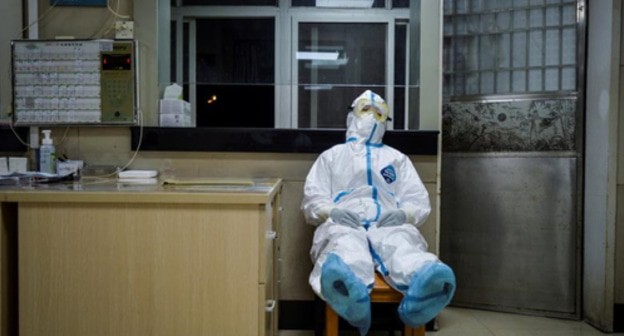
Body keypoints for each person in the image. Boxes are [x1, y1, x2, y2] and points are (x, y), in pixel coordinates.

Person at [301, 90, 456, 335]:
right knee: (343, 243)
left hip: (387, 220)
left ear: (386, 120)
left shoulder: (397, 159)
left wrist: (405, 214)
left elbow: (416, 198)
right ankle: (351, 295)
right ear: (352, 115)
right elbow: (313, 196)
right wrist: (332, 211)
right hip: (345, 220)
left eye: (379, 112)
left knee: (402, 242)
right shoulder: (332, 157)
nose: (372, 116)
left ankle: (426, 280)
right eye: (365, 109)